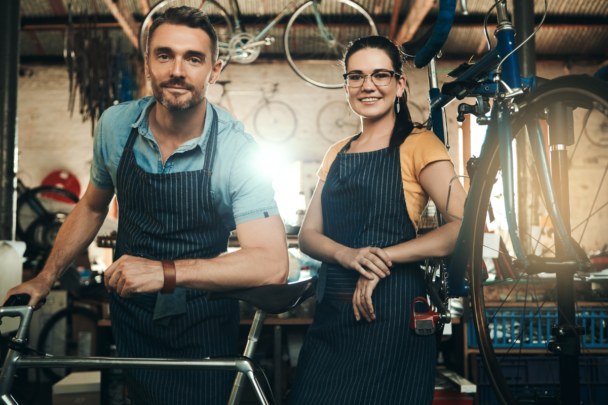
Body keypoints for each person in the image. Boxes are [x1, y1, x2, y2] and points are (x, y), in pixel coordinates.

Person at [3, 6, 288, 405]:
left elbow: (272, 263)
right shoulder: (116, 127)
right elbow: (91, 206)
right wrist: (45, 278)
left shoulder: (237, 151)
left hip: (201, 319)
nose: (177, 70)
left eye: (194, 58)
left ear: (215, 69)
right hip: (132, 314)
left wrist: (165, 273)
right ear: (148, 64)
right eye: (164, 54)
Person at [288, 36, 467, 405]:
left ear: (400, 84)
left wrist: (382, 257)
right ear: (346, 85)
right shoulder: (336, 152)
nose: (368, 85)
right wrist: (349, 256)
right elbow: (309, 236)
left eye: (380, 75)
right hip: (333, 310)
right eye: (357, 76)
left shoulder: (421, 144)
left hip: (394, 310)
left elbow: (461, 227)